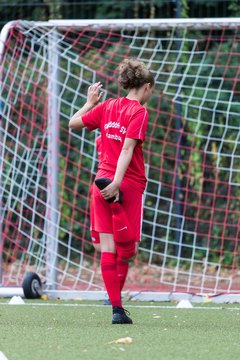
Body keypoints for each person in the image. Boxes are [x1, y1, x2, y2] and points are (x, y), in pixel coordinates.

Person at [69, 58, 154, 324]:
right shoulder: (138, 111)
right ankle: (117, 307)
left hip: (100, 181)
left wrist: (90, 103)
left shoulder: (107, 106)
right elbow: (128, 149)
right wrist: (117, 184)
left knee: (107, 248)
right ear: (147, 86)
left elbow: (73, 123)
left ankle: (117, 310)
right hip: (125, 183)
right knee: (128, 251)